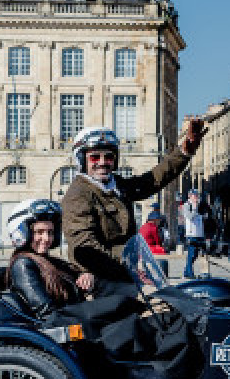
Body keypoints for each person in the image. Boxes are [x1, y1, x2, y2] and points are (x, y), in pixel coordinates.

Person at [5, 198, 199, 379]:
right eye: (39, 232)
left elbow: (82, 282)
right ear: (23, 233)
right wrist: (114, 305)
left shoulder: (49, 262)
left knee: (143, 313)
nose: (46, 239)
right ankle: (173, 378)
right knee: (137, 325)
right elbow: (48, 315)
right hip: (71, 332)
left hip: (78, 324)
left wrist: (92, 279)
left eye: (50, 232)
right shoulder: (24, 264)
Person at [62, 120, 204, 298]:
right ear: (82, 160)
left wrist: (184, 152)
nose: (103, 162)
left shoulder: (116, 185)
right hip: (96, 278)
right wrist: (128, 264)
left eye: (109, 157)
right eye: (95, 157)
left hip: (122, 273)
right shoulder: (78, 194)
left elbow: (152, 180)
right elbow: (86, 246)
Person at [180, 189, 211, 278]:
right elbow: (190, 216)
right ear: (190, 196)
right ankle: (189, 273)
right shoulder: (187, 205)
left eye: (197, 195)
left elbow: (203, 216)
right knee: (191, 254)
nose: (196, 197)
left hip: (199, 233)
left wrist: (204, 215)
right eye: (195, 195)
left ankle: (186, 272)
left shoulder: (199, 205)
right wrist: (194, 208)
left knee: (196, 254)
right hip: (191, 234)